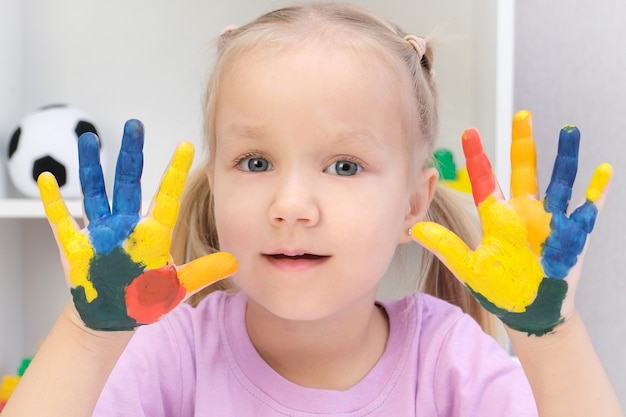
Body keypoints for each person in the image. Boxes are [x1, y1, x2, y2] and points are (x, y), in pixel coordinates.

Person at [3, 3, 623, 416]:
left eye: (345, 166)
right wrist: (88, 337)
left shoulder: (449, 361)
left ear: (414, 201)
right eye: (254, 162)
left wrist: (552, 338)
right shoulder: (176, 351)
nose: (291, 206)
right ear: (214, 183)